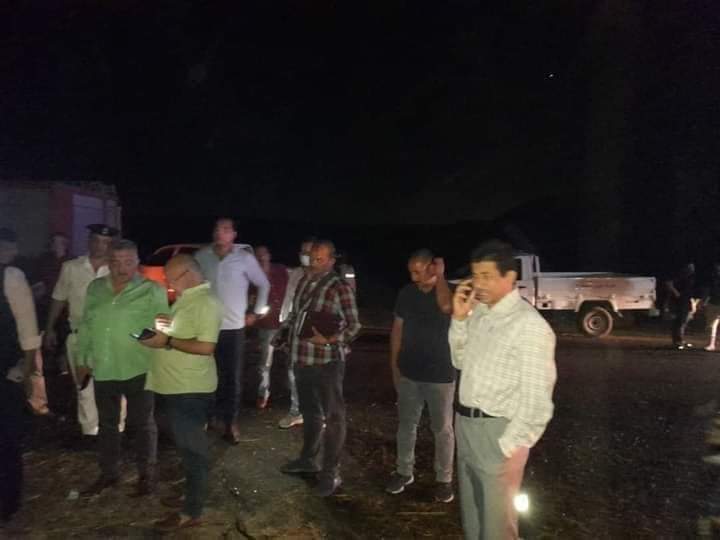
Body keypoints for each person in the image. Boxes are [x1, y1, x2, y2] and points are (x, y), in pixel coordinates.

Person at [449, 240, 556, 540]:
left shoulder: (528, 325)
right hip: (466, 427)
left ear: (509, 277)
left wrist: (508, 446)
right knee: (473, 522)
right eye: (475, 276)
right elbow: (459, 360)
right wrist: (459, 320)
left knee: (497, 530)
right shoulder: (480, 313)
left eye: (486, 276)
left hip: (497, 433)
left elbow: (538, 401)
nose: (478, 284)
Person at [77, 239, 168, 496]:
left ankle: (146, 475)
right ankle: (109, 473)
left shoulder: (152, 290)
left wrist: (159, 339)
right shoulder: (95, 288)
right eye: (116, 262)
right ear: (108, 263)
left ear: (137, 262)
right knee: (107, 424)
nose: (122, 268)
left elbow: (164, 326)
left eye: (128, 262)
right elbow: (86, 325)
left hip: (139, 366)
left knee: (143, 424)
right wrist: (82, 360)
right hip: (104, 366)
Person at [141, 255, 222, 530]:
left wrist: (167, 340)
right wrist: (166, 325)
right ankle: (191, 495)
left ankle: (192, 512)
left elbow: (206, 347)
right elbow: (184, 334)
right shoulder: (187, 300)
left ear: (188, 274)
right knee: (187, 450)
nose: (167, 282)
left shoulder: (207, 303)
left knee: (193, 451)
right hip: (176, 386)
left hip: (190, 389)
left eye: (170, 277)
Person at [279, 240, 361, 497]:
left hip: (327, 362)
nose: (312, 263)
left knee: (334, 418)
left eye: (318, 259)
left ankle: (331, 473)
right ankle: (308, 460)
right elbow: (295, 315)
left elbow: (355, 326)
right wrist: (284, 336)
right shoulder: (304, 282)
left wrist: (329, 340)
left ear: (331, 261)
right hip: (302, 359)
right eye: (310, 257)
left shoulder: (340, 288)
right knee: (310, 413)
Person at [386, 249, 456, 504]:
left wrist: (441, 277)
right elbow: (397, 331)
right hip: (410, 373)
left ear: (432, 267)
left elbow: (448, 307)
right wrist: (395, 367)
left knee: (442, 429)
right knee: (406, 426)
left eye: (418, 271)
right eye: (411, 272)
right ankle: (404, 472)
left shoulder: (448, 291)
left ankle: (444, 479)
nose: (413, 277)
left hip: (441, 374)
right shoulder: (406, 293)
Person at [195, 218, 270, 444]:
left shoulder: (243, 258)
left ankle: (230, 422)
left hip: (234, 328)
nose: (221, 233)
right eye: (217, 229)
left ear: (234, 234)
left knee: (233, 378)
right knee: (206, 375)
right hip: (207, 326)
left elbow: (263, 283)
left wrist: (255, 313)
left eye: (226, 229)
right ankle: (208, 416)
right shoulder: (202, 257)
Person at [44, 224, 119, 436]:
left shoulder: (118, 268)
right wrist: (49, 328)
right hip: (80, 335)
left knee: (113, 384)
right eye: (97, 241)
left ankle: (115, 428)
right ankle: (91, 430)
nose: (100, 246)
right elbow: (59, 298)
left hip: (111, 335)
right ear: (89, 241)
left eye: (106, 242)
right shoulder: (71, 267)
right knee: (84, 385)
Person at [0, 228, 41, 523]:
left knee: (6, 439)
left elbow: (28, 330)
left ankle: (7, 502)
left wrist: (25, 372)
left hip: (4, 371)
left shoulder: (11, 277)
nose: (11, 253)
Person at [276, 237, 315, 429]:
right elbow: (288, 299)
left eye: (309, 252)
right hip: (293, 330)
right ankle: (296, 410)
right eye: (302, 251)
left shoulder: (323, 276)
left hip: (314, 334)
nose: (304, 255)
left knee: (313, 374)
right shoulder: (296, 274)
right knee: (293, 372)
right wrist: (283, 325)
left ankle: (315, 413)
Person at [253, 246, 289, 411]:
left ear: (269, 255)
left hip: (285, 323)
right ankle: (263, 393)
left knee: (292, 361)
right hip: (266, 325)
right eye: (258, 255)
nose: (261, 258)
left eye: (264, 254)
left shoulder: (280, 270)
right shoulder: (253, 277)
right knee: (265, 362)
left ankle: (294, 394)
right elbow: (251, 300)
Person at [665, 262, 697, 350]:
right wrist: (674, 291)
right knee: (679, 323)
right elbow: (671, 287)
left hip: (685, 302)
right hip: (680, 303)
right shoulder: (681, 278)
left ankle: (680, 340)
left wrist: (693, 303)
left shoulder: (689, 279)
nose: (692, 269)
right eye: (690, 267)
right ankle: (678, 341)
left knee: (682, 322)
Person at [703, 263, 720, 352]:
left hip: (714, 303)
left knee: (711, 325)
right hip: (713, 303)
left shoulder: (713, 279)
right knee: (711, 325)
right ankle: (711, 344)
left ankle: (711, 344)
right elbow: (708, 291)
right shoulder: (713, 279)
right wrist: (704, 301)